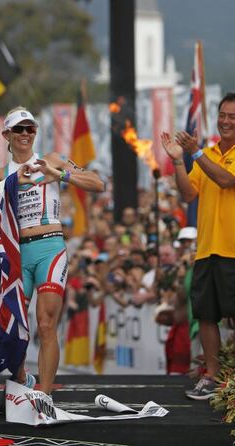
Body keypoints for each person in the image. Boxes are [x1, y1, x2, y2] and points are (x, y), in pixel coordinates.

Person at [0, 106, 105, 396]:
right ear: (7, 134)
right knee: (14, 328)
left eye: (31, 128)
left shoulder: (51, 160)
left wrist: (58, 175)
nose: (26, 134)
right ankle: (23, 380)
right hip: (16, 253)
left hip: (50, 248)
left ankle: (44, 394)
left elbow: (97, 183)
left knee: (45, 323)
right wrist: (12, 182)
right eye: (19, 129)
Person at [160, 92, 235, 400]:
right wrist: (179, 161)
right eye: (223, 115)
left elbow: (227, 180)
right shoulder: (210, 153)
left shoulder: (211, 155)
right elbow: (189, 193)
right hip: (206, 248)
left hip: (233, 249)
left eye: (233, 117)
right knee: (206, 315)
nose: (226, 121)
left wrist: (197, 152)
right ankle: (214, 377)